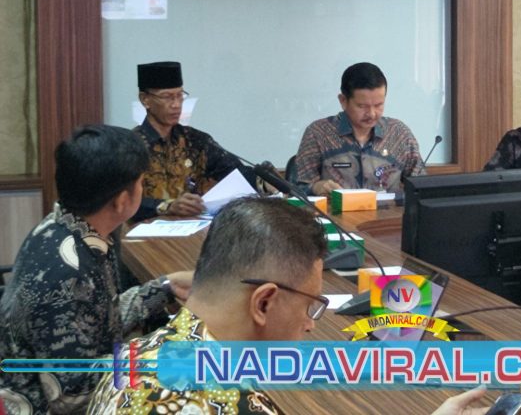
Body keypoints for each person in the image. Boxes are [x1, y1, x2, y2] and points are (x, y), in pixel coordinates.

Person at [88, 196, 489, 414]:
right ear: (263, 302)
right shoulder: (231, 403)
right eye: (310, 306)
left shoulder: (137, 355)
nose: (311, 324)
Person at [0, 125, 192, 414]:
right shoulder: (65, 273)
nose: (143, 189)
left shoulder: (69, 227)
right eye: (141, 183)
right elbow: (73, 396)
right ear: (122, 200)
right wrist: (159, 357)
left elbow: (100, 320)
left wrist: (165, 288)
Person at [133, 61, 268, 221]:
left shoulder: (195, 141)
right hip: (141, 231)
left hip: (192, 228)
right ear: (145, 100)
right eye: (167, 97)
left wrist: (264, 183)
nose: (176, 105)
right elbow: (119, 198)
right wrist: (167, 206)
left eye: (180, 96)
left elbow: (235, 172)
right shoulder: (129, 146)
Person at [294, 62, 425, 196]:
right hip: (335, 209)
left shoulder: (398, 134)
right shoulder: (318, 134)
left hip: (388, 209)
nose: (372, 114)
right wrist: (315, 187)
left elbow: (422, 185)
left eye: (379, 105)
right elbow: (296, 190)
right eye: (362, 106)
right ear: (343, 101)